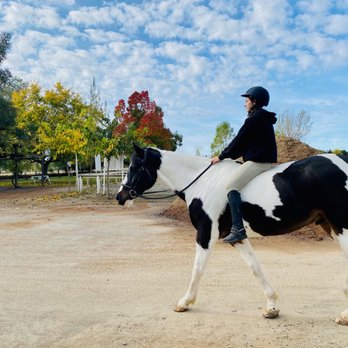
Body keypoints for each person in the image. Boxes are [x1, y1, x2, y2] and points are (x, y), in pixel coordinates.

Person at [211, 86, 277, 243]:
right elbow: (245, 144)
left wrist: (221, 156)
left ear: (254, 101)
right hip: (261, 160)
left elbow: (238, 142)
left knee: (231, 185)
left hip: (259, 162)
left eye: (246, 101)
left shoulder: (254, 119)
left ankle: (238, 229)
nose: (244, 104)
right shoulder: (262, 118)